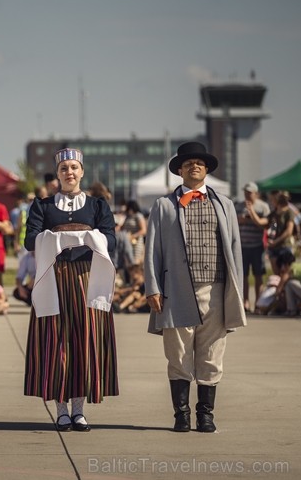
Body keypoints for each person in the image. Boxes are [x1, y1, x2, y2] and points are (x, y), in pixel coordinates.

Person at [144, 141, 246, 433]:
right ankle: (182, 415)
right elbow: (153, 249)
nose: (194, 166)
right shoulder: (164, 206)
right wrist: (153, 287)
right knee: (178, 354)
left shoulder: (224, 204)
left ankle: (206, 415)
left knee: (212, 353)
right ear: (179, 170)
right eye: (188, 162)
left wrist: (235, 289)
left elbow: (235, 248)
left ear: (207, 169)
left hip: (216, 288)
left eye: (199, 162)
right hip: (174, 291)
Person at [24, 148, 118, 432]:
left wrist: (89, 238)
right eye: (64, 168)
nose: (69, 172)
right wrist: (60, 239)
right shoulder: (43, 206)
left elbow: (111, 240)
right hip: (54, 279)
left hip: (87, 279)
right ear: (58, 173)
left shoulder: (97, 205)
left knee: (84, 341)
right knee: (56, 342)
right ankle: (61, 410)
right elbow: (30, 241)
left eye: (74, 167)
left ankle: (79, 410)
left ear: (82, 171)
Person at [235, 182, 271, 311]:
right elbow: (233, 221)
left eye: (249, 192)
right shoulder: (238, 205)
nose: (247, 194)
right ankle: (245, 302)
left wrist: (251, 214)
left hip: (257, 246)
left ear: (256, 193)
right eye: (245, 192)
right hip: (242, 246)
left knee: (258, 274)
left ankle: (258, 302)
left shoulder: (263, 207)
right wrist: (242, 219)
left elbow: (264, 225)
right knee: (243, 275)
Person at [274, 251, 301, 316]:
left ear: (284, 264)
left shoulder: (291, 269)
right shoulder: (300, 267)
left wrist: (275, 296)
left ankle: (291, 310)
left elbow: (281, 285)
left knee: (289, 284)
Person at [120, 200, 147, 265]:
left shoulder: (138, 216)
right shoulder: (128, 217)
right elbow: (122, 227)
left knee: (135, 262)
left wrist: (133, 236)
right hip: (128, 242)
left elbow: (143, 230)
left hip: (137, 243)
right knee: (128, 262)